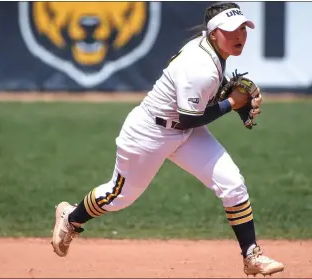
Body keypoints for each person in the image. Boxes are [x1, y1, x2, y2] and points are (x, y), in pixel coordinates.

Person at [51, 2, 284, 277]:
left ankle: (251, 256)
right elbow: (188, 118)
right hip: (149, 133)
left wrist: (224, 95)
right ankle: (71, 218)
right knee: (119, 196)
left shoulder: (211, 52)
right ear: (212, 33)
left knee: (232, 183)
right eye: (230, 29)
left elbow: (189, 118)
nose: (239, 35)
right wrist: (232, 102)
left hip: (184, 131)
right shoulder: (200, 66)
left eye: (243, 28)